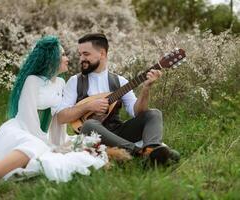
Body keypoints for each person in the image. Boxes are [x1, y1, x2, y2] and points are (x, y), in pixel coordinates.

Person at [0, 36, 107, 195]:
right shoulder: (32, 81)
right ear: (52, 58)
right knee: (35, 147)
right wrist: (44, 144)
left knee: (78, 145)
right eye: (62, 54)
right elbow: (29, 117)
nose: (67, 58)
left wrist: (58, 142)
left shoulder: (61, 83)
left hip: (42, 134)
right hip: (21, 130)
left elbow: (57, 118)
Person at [57, 33, 180, 165]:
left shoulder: (120, 81)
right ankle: (141, 152)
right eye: (80, 54)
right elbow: (61, 117)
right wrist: (88, 106)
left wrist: (146, 89)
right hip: (92, 136)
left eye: (86, 54)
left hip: (118, 133)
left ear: (102, 54)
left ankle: (152, 148)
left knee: (154, 113)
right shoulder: (75, 81)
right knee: (89, 124)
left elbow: (137, 113)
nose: (81, 58)